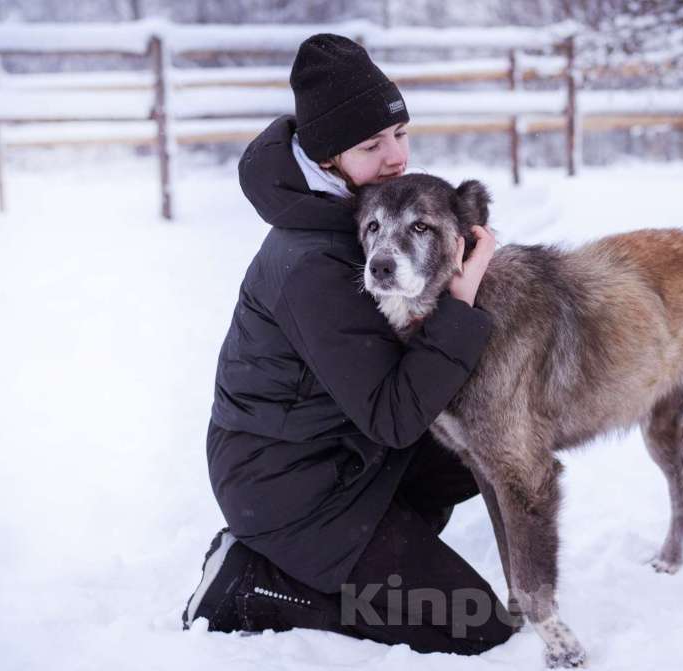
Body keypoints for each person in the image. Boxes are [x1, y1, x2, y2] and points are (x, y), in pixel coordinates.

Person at [181, 34, 516, 655]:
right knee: (475, 623)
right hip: (286, 485)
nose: (395, 156)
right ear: (329, 156)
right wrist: (462, 306)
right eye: (371, 144)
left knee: (483, 447)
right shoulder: (313, 259)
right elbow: (393, 416)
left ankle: (380, 547)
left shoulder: (361, 214)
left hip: (338, 451)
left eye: (400, 134)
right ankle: (255, 583)